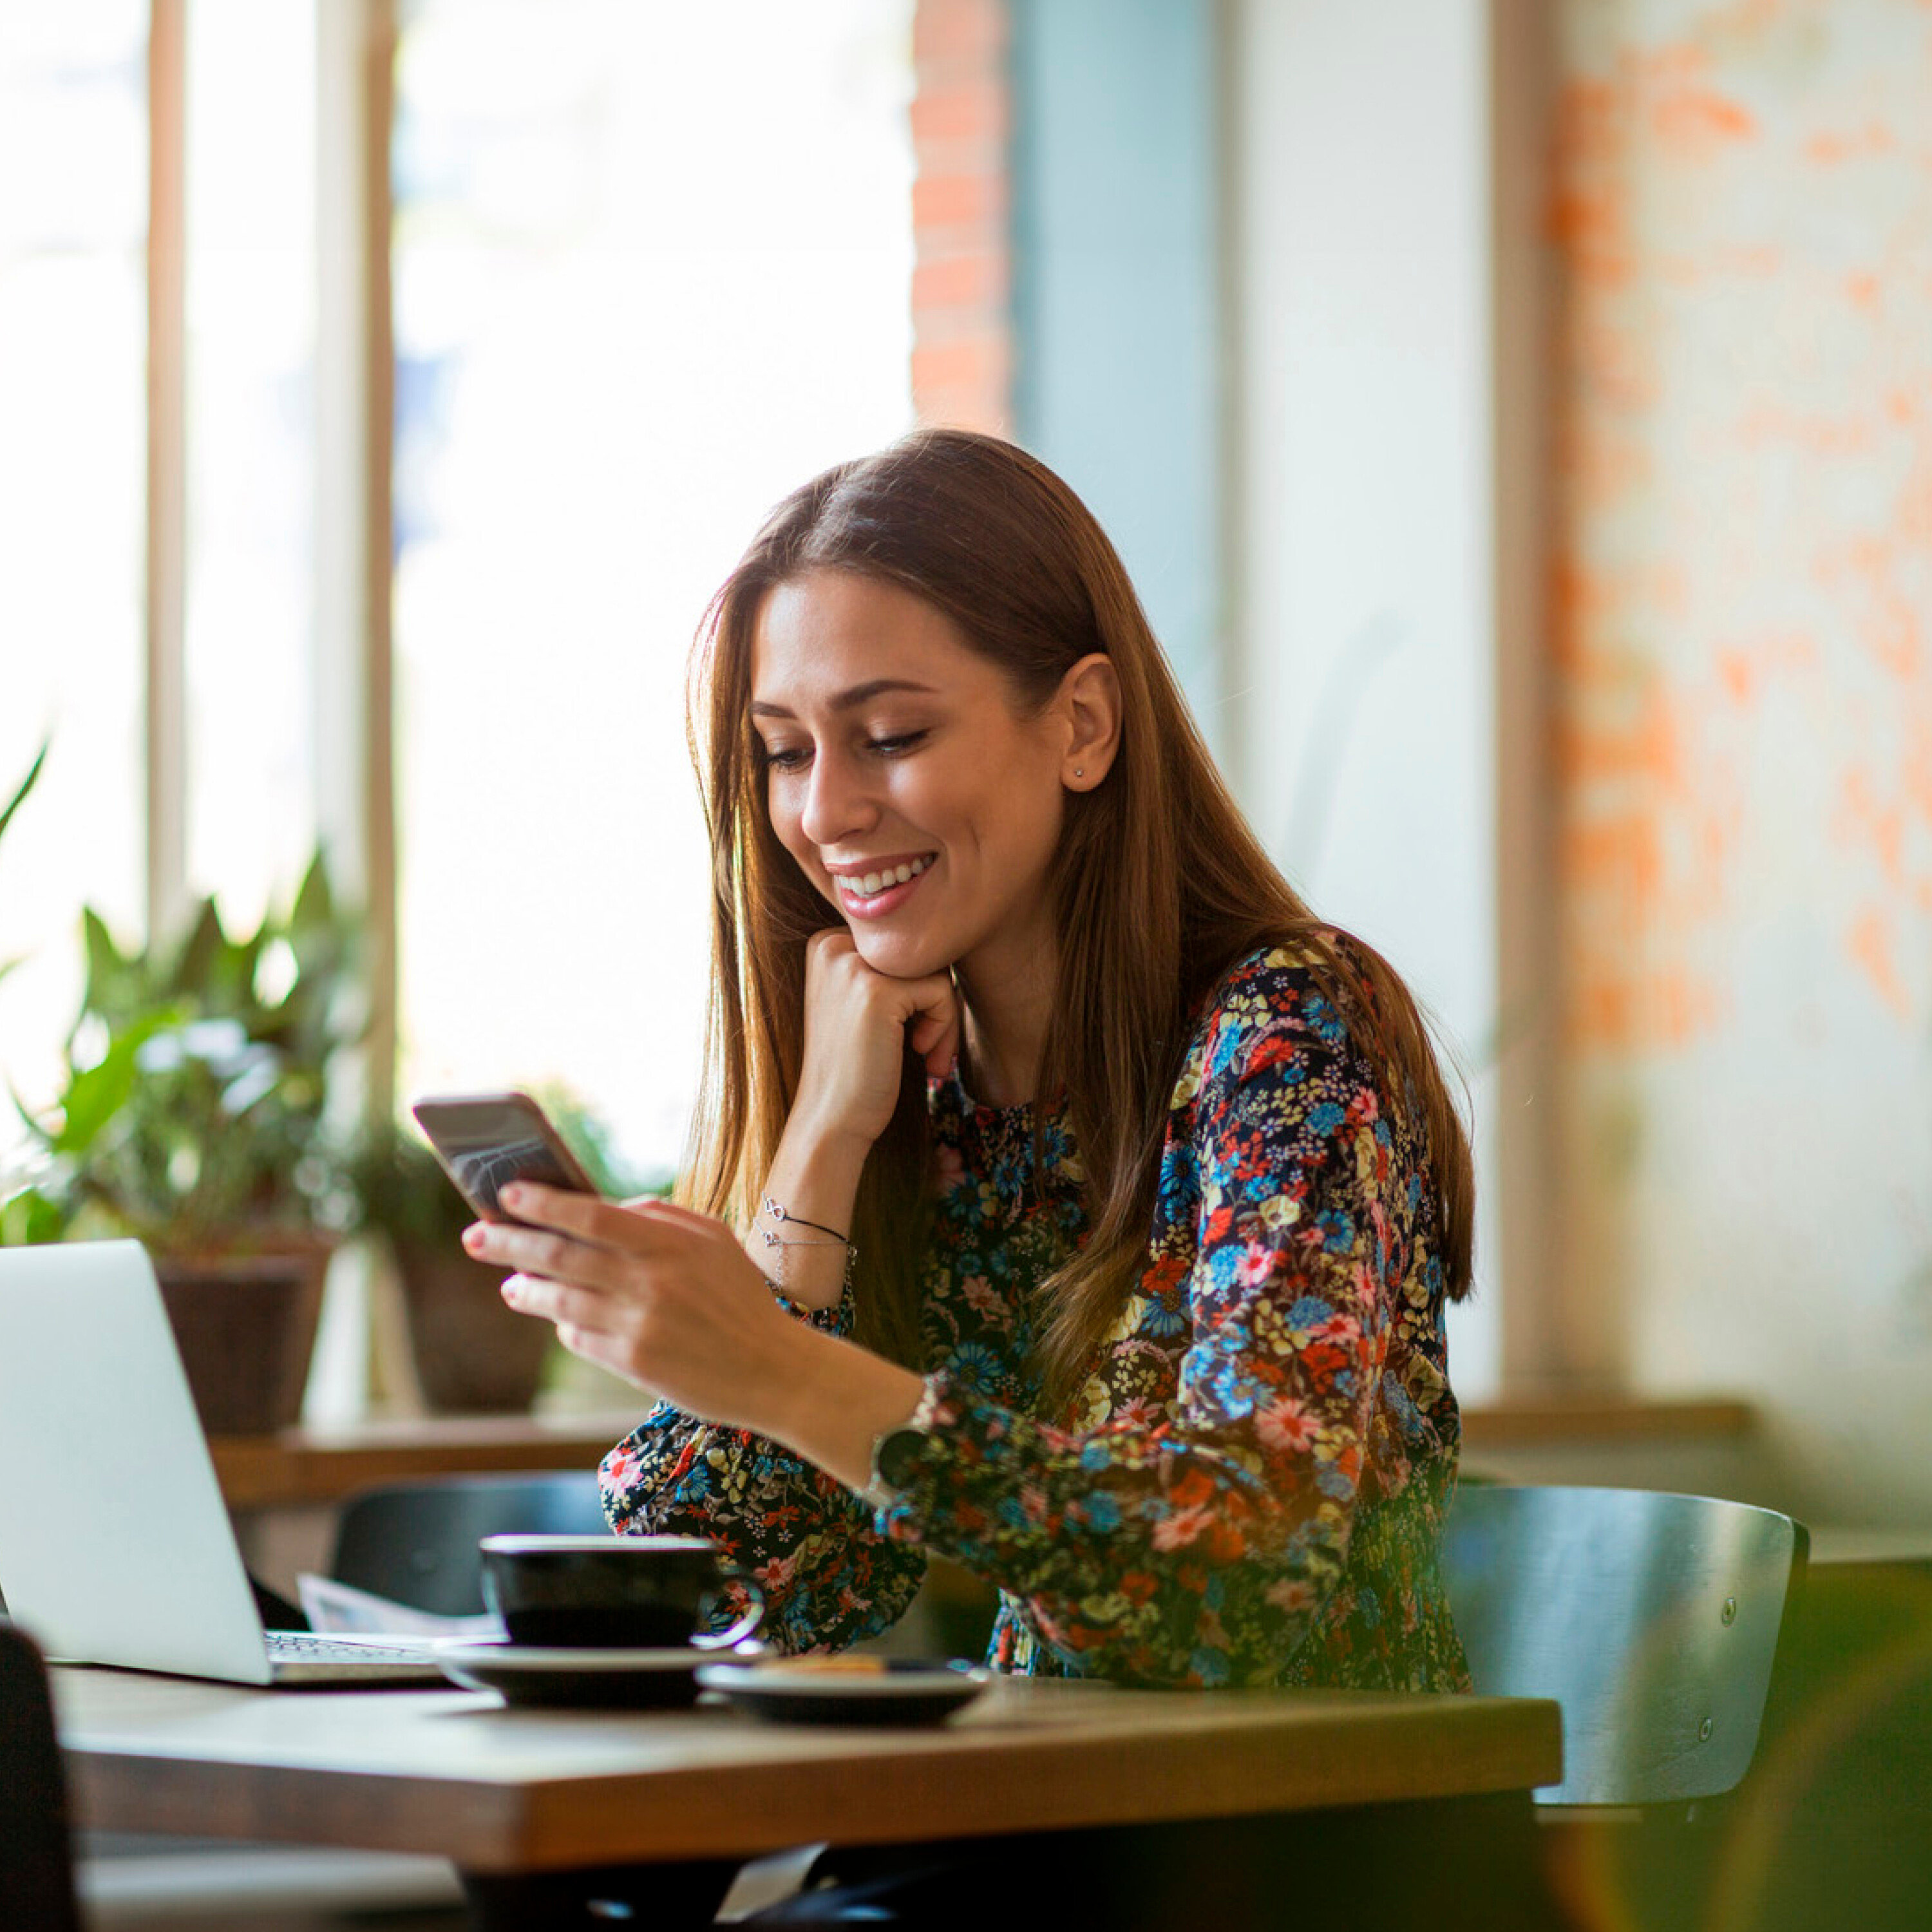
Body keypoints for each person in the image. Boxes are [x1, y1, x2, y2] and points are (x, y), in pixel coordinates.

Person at [464, 428, 1475, 1699]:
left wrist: (778, 1364)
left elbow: (1235, 1577)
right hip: (1029, 1819)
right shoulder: (918, 1098)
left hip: (1307, 1853)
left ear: (1085, 727)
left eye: (888, 734)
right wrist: (821, 1144)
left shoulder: (1286, 1038)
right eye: (784, 751)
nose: (823, 812)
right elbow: (745, 1590)